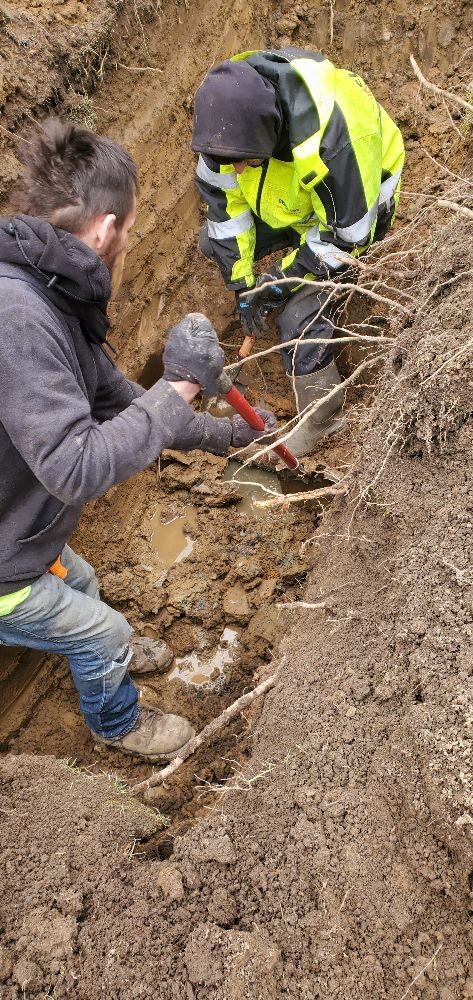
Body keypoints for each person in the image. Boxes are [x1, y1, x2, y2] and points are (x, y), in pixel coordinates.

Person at [0, 117, 275, 761]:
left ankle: (101, 651)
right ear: (104, 228)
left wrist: (220, 435)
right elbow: (76, 466)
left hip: (22, 534)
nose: (130, 240)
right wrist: (177, 389)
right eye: (129, 227)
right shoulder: (17, 319)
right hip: (2, 567)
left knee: (86, 584)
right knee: (103, 631)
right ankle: (116, 720)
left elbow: (118, 399)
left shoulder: (46, 292)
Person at [192, 47, 405, 456]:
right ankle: (284, 265)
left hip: (354, 212)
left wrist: (277, 284)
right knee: (211, 243)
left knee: (297, 316)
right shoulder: (226, 129)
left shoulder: (334, 140)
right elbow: (224, 213)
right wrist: (243, 285)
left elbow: (347, 238)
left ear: (268, 135)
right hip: (295, 203)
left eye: (244, 162)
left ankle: (321, 420)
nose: (235, 170)